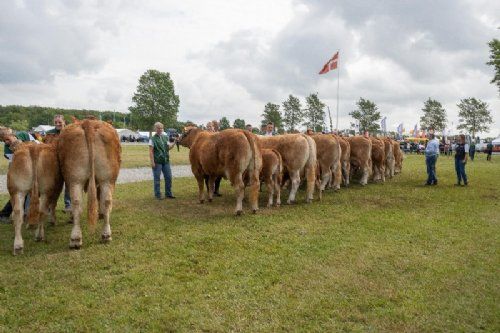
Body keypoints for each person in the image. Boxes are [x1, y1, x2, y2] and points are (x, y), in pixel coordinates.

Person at [0, 127, 36, 223]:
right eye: (3, 140)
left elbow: (37, 144)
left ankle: (26, 213)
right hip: (19, 170)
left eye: (7, 139)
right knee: (20, 193)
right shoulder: (7, 149)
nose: (6, 142)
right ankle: (6, 214)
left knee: (28, 192)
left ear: (12, 134)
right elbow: (15, 162)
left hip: (33, 165)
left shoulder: (24, 135)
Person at [46, 115, 72, 212]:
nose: (57, 124)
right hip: (54, 163)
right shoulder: (50, 133)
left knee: (70, 185)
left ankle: (69, 205)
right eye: (56, 122)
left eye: (59, 122)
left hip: (68, 163)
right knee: (51, 185)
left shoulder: (70, 132)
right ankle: (49, 206)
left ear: (64, 121)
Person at [149, 122, 176, 200]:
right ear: (155, 129)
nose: (160, 129)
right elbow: (151, 151)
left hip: (166, 161)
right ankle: (158, 195)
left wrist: (174, 143)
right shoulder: (152, 139)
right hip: (157, 161)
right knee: (157, 179)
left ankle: (168, 193)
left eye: (161, 128)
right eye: (158, 128)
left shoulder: (165, 137)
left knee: (169, 177)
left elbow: (168, 148)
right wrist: (152, 162)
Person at [204, 121, 222, 196]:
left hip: (216, 158)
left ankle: (216, 190)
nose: (209, 128)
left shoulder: (218, 134)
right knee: (207, 175)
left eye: (210, 126)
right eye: (208, 126)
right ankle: (209, 191)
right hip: (206, 158)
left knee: (218, 175)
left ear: (213, 127)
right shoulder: (204, 135)